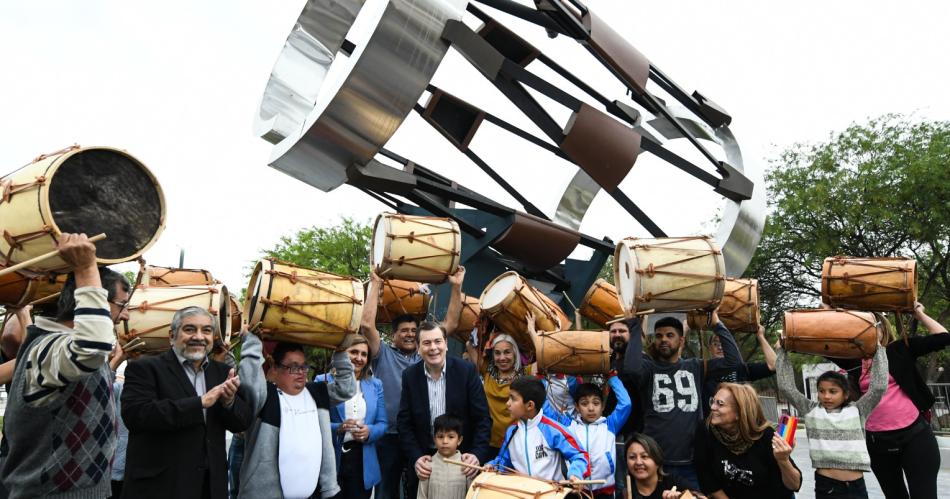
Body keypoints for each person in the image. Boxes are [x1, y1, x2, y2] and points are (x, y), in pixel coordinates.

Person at [1, 233, 130, 499]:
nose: (126, 314)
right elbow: (93, 345)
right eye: (122, 305)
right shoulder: (47, 347)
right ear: (90, 298)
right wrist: (85, 268)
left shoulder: (66, 346)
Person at [121, 306, 253, 499]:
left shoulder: (222, 372)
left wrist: (229, 402)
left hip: (209, 487)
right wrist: (200, 402)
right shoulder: (145, 368)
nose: (199, 336)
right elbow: (136, 415)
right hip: (161, 487)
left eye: (206, 330)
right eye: (190, 329)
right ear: (172, 335)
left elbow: (242, 423)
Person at [363, 268, 464, 499]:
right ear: (393, 335)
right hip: (389, 435)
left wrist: (456, 287)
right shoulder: (382, 353)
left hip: (419, 437)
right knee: (386, 491)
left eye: (413, 331)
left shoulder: (426, 354)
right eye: (403, 331)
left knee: (417, 491)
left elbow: (451, 323)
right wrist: (375, 284)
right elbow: (367, 326)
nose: (409, 334)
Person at [831, 301, 948, 499]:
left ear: (881, 328)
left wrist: (919, 314)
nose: (865, 330)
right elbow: (819, 342)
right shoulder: (851, 359)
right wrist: (828, 311)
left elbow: (944, 337)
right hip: (878, 443)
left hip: (915, 437)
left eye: (870, 325)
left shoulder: (900, 349)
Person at [623, 309, 740, 488]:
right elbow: (631, 369)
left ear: (681, 341)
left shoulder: (697, 367)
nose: (663, 339)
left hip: (692, 463)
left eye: (670, 335)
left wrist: (716, 323)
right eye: (659, 336)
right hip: (656, 463)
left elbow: (734, 363)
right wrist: (635, 326)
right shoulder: (648, 368)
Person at [237, 330, 355, 499]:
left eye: (303, 366)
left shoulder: (317, 393)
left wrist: (341, 350)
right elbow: (249, 379)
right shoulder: (264, 396)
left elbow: (347, 388)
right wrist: (252, 340)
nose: (301, 372)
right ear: (275, 368)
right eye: (293, 367)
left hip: (316, 493)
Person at [777, 336, 888, 499]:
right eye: (821, 391)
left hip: (857, 487)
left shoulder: (858, 410)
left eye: (833, 391)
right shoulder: (810, 410)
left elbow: (878, 387)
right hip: (827, 486)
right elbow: (787, 388)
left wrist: (879, 350)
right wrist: (782, 352)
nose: (826, 396)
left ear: (845, 394)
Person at [397, 321, 490, 498]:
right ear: (418, 348)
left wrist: (476, 455)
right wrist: (416, 458)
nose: (433, 348)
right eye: (426, 343)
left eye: (438, 341)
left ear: (446, 344)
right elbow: (404, 423)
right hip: (426, 462)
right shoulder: (410, 376)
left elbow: (483, 419)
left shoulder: (466, 371)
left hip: (462, 461)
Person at [695, 382, 802, 498]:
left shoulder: (766, 436)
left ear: (739, 413)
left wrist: (783, 460)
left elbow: (795, 485)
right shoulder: (706, 430)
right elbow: (706, 477)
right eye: (713, 401)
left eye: (720, 404)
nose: (712, 407)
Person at [485, 376, 589, 488]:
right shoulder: (512, 431)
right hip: (524, 494)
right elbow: (504, 461)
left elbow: (580, 455)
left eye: (513, 399)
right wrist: (493, 465)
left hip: (551, 494)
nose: (507, 403)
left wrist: (576, 473)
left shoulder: (553, 430)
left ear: (530, 405)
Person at [316, 335, 387, 499]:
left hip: (363, 458)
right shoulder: (322, 381)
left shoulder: (376, 384)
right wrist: (338, 428)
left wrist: (369, 431)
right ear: (342, 353)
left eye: (364, 354)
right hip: (333, 457)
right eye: (354, 352)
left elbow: (383, 423)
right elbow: (315, 422)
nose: (359, 358)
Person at [543, 376, 631, 498]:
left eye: (596, 403)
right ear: (577, 407)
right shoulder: (568, 425)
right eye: (584, 403)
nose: (590, 408)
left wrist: (613, 379)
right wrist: (541, 382)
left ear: (603, 406)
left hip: (605, 490)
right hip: (576, 488)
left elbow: (626, 404)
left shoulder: (610, 425)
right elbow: (547, 412)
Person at [463, 331, 528, 456]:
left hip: (516, 442)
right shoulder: (487, 370)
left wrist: (530, 332)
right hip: (488, 442)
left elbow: (546, 357)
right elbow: (468, 344)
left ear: (515, 352)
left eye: (507, 352)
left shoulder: (526, 373)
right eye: (497, 353)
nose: (502, 358)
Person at [700, 324, 776, 418]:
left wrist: (760, 337)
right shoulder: (702, 370)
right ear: (710, 348)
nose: (720, 347)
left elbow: (773, 365)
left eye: (723, 344)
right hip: (711, 426)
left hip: (739, 426)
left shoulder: (742, 368)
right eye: (716, 344)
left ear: (731, 348)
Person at [416, 414, 472, 499]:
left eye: (451, 437)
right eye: (440, 436)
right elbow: (421, 495)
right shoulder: (428, 465)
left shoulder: (467, 465)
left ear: (459, 440)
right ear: (434, 439)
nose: (445, 441)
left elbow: (472, 495)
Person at [625, 433, 694, 499]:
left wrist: (682, 497)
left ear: (657, 460)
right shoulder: (625, 494)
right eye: (632, 457)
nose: (638, 462)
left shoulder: (674, 483)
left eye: (644, 456)